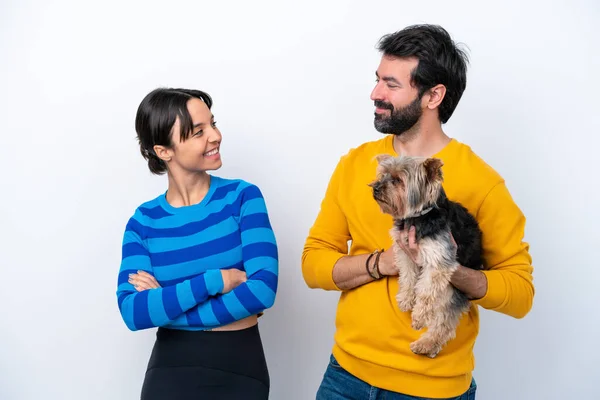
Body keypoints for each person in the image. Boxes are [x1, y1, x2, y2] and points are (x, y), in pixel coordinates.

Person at [302, 24, 534, 399]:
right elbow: (313, 264)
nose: (375, 93)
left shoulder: (482, 181)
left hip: (432, 388)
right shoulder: (354, 165)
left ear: (433, 95)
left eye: (391, 84)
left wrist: (450, 270)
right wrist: (382, 263)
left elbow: (521, 293)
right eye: (377, 80)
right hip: (345, 376)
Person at [116, 88, 278, 400]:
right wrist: (217, 280)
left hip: (240, 369)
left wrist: (165, 305)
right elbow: (133, 312)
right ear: (164, 151)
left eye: (213, 124)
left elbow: (262, 290)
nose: (215, 136)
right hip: (170, 371)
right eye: (198, 132)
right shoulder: (144, 222)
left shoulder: (242, 198)